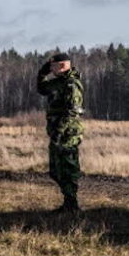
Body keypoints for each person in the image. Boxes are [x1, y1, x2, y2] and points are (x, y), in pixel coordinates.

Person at [36, 52, 85, 213]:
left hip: (68, 133)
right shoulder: (59, 82)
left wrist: (59, 130)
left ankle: (72, 204)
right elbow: (42, 89)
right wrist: (42, 73)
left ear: (63, 65)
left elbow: (72, 111)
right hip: (57, 133)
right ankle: (68, 202)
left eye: (53, 66)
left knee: (68, 167)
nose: (51, 68)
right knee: (55, 169)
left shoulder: (72, 84)